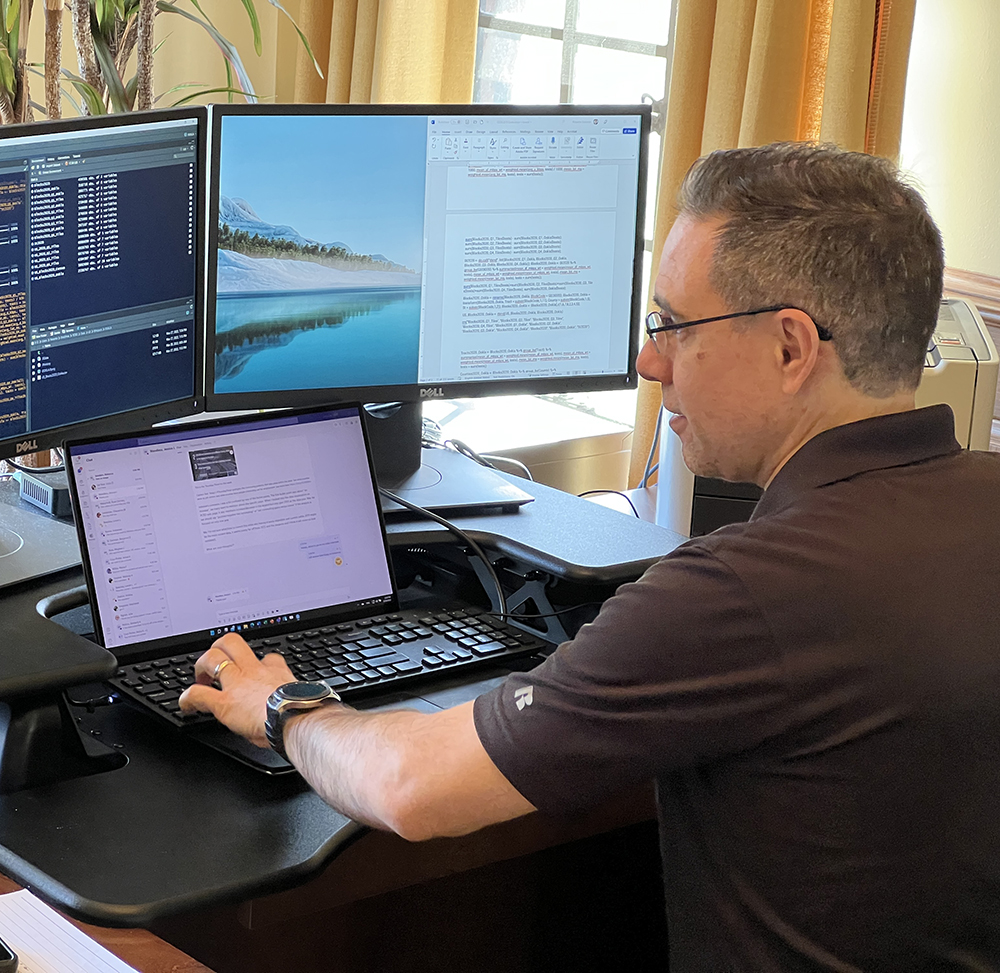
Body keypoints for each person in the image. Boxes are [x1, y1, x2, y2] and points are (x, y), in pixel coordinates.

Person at [180, 142, 1000, 971]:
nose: (650, 362)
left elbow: (411, 786)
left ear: (792, 348)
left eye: (674, 324)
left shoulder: (740, 593)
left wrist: (283, 705)